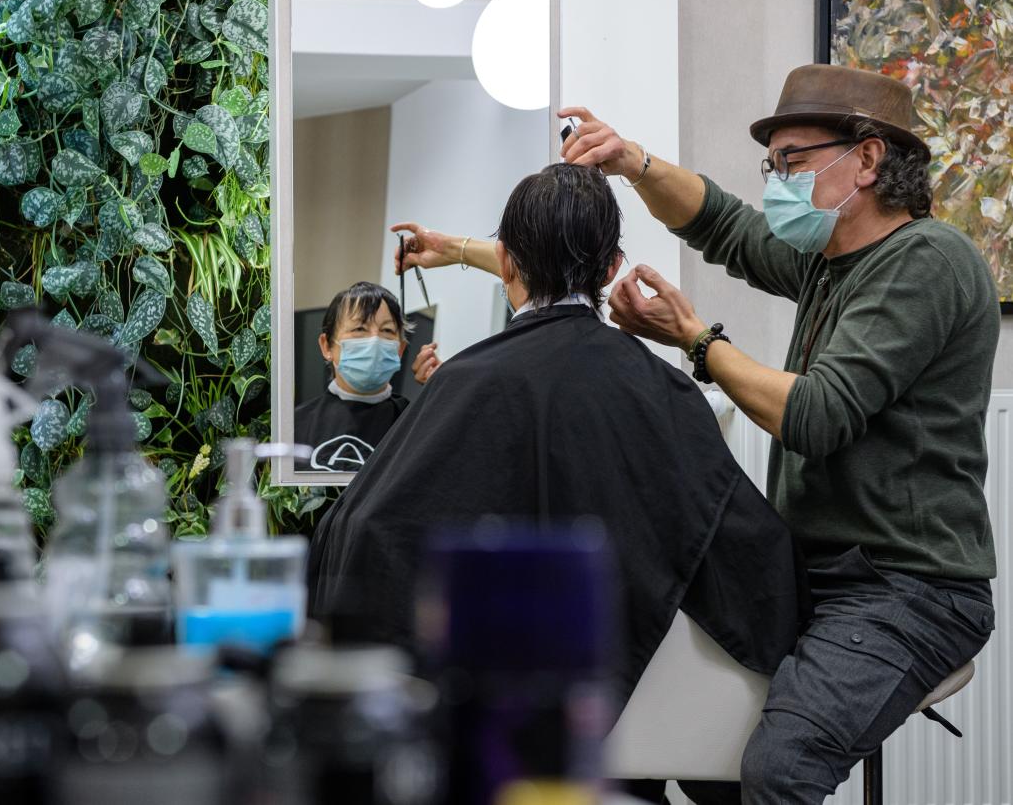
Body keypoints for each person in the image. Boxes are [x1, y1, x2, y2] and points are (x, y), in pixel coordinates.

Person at [542, 64, 996, 802]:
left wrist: (695, 340)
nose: (776, 182)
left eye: (794, 163)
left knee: (778, 770)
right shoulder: (829, 262)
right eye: (772, 165)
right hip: (816, 573)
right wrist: (632, 162)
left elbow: (817, 415)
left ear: (869, 160)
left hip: (907, 588)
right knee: (682, 739)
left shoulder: (929, 263)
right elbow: (720, 222)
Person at [307, 163, 807, 726]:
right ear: (613, 268)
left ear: (507, 262)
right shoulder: (658, 385)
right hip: (640, 700)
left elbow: (369, 530)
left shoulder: (466, 379)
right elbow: (733, 536)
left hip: (481, 690)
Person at [294, 281, 412, 472]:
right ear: (326, 346)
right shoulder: (294, 424)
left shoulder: (415, 419)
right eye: (359, 329)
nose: (375, 340)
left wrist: (439, 389)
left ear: (400, 349)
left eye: (387, 330)